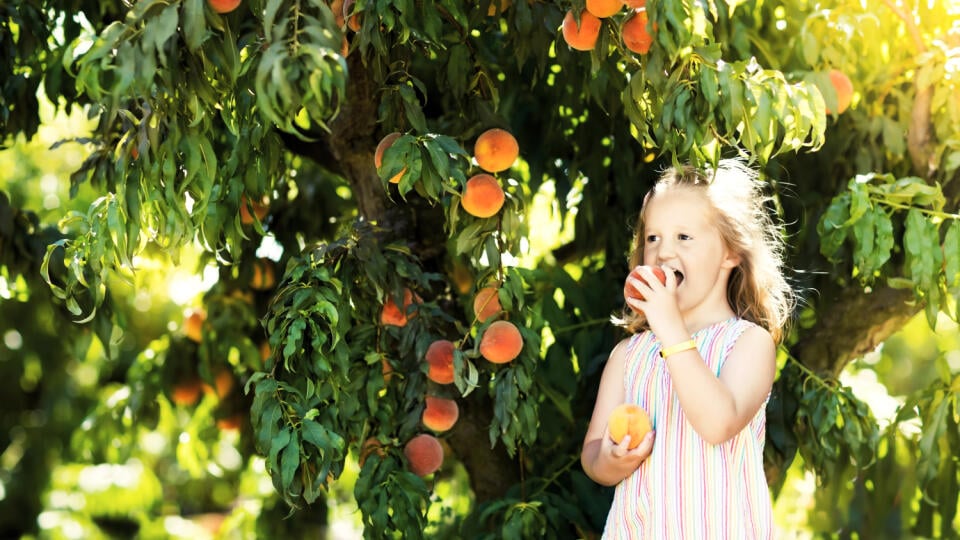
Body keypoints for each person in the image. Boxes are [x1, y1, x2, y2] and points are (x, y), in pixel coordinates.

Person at [580, 159, 795, 538]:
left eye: (684, 237)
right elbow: (593, 456)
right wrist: (613, 459)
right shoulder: (629, 356)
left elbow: (718, 423)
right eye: (652, 238)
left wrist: (669, 327)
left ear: (731, 253)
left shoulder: (747, 343)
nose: (663, 252)